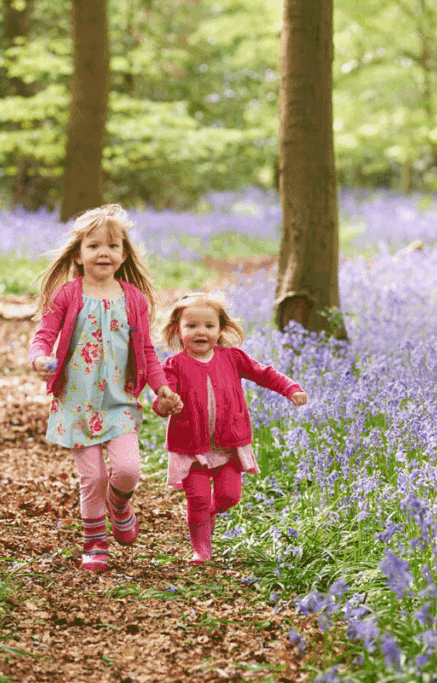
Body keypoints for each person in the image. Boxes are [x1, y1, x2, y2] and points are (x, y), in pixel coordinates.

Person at [28, 204, 183, 573]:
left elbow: (146, 350)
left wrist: (160, 388)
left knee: (128, 469)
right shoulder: (68, 295)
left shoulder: (133, 299)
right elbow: (44, 334)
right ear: (78, 255)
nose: (103, 252)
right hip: (76, 402)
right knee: (93, 476)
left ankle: (119, 504)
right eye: (94, 245)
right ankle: (95, 541)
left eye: (112, 246)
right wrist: (38, 358)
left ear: (124, 254)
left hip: (119, 401)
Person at [153, 292, 307, 564]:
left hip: (229, 445)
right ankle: (201, 548)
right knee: (197, 499)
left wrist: (289, 388)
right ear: (178, 329)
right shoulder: (174, 365)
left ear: (221, 329)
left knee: (229, 497)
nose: (201, 331)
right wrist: (167, 404)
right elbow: (164, 398)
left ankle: (211, 512)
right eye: (192, 326)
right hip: (192, 446)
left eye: (209, 326)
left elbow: (264, 373)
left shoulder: (232, 358)